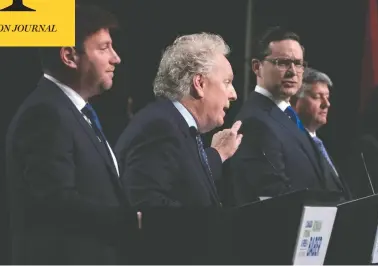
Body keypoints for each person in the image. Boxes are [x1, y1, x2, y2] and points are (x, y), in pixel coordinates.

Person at [5, 4, 139, 264]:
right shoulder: (45, 114)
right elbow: (56, 203)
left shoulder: (72, 111)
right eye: (104, 48)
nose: (116, 58)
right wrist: (134, 221)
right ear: (69, 56)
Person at [115, 32, 242, 208]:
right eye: (227, 82)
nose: (234, 94)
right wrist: (210, 226)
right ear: (200, 83)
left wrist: (217, 154)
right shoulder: (159, 127)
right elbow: (147, 204)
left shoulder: (177, 125)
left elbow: (185, 181)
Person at [227, 26, 335, 207]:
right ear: (257, 67)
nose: (293, 72)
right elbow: (273, 196)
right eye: (283, 63)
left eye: (298, 63)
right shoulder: (255, 121)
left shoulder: (290, 116)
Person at [291, 67, 350, 198]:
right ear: (295, 101)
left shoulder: (325, 144)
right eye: (317, 97)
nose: (327, 104)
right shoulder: (290, 144)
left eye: (327, 97)